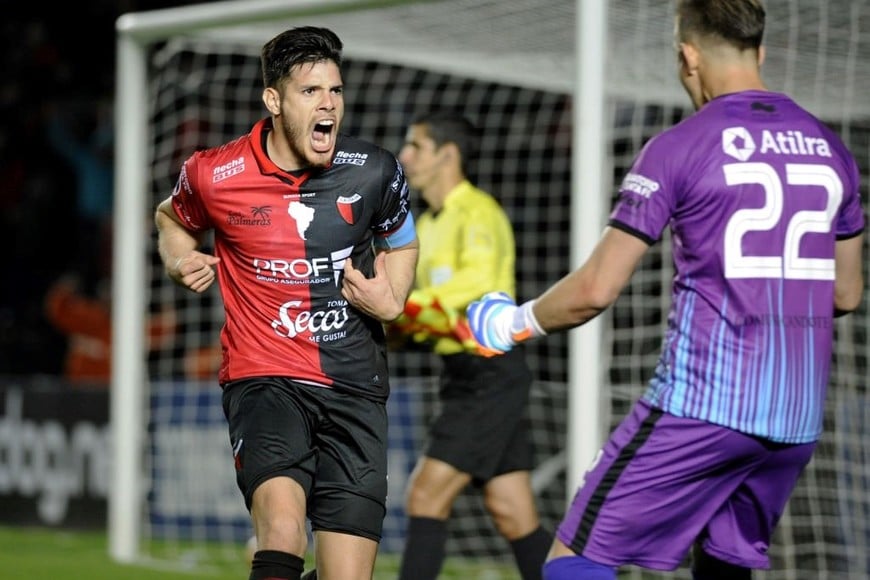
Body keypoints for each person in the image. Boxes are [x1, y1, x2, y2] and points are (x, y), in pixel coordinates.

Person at [465, 1, 866, 579]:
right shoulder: (832, 151)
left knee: (575, 560)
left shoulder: (681, 146)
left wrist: (512, 323)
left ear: (688, 56)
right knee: (726, 566)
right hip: (793, 420)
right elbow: (846, 294)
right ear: (763, 52)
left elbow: (596, 290)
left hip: (701, 407)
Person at [153, 26, 419, 580]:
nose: (328, 105)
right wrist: (180, 261)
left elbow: (402, 239)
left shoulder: (375, 170)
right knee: (282, 528)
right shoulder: (214, 173)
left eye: (336, 92)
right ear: (273, 100)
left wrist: (392, 299)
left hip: (355, 387)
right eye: (310, 92)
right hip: (264, 376)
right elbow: (171, 220)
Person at [391, 110, 552, 580]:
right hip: (461, 373)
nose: (405, 156)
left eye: (415, 145)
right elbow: (433, 313)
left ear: (448, 154)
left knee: (425, 495)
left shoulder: (479, 212)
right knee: (511, 510)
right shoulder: (427, 225)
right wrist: (401, 329)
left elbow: (478, 285)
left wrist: (406, 308)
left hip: (490, 371)